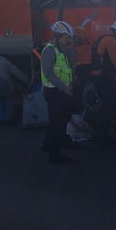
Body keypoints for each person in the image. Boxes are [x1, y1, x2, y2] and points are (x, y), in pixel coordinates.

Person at [41, 21, 78, 164]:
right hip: (54, 92)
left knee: (62, 119)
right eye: (67, 37)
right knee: (56, 123)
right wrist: (64, 88)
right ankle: (54, 154)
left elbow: (70, 67)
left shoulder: (63, 50)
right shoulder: (50, 50)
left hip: (62, 91)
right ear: (59, 36)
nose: (69, 40)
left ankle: (49, 144)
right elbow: (49, 72)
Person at [89, 20, 116, 147]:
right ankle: (102, 135)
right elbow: (115, 62)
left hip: (97, 77)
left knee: (105, 105)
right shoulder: (111, 41)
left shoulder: (102, 38)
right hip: (105, 77)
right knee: (111, 105)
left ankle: (98, 133)